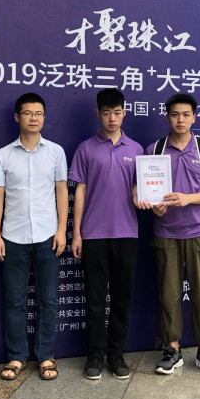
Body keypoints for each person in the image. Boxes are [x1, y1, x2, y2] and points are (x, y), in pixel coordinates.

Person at [138, 93, 200, 378]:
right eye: (175, 114)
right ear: (167, 117)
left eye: (186, 114)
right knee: (168, 293)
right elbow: (144, 191)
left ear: (194, 117)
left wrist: (188, 199)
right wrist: (154, 206)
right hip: (165, 232)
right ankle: (172, 349)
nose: (180, 119)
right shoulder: (154, 150)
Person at [0, 92, 68, 381]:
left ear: (44, 117)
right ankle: (16, 356)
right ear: (17, 117)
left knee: (48, 299)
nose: (33, 118)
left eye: (38, 113)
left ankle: (46, 356)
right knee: (14, 300)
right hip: (13, 236)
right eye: (27, 113)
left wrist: (62, 230)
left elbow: (62, 192)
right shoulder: (4, 155)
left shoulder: (56, 152)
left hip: (48, 235)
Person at [69, 88, 144, 380]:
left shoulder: (136, 149)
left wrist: (143, 198)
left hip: (127, 233)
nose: (112, 118)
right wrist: (77, 233)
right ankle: (95, 356)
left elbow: (138, 189)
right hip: (93, 234)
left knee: (122, 299)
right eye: (106, 113)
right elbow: (80, 191)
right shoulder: (86, 148)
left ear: (124, 113)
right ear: (98, 114)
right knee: (95, 299)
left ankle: (116, 355)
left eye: (117, 112)